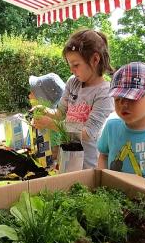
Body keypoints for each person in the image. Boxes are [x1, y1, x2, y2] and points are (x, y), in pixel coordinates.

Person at [32, 29, 114, 168]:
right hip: (67, 156)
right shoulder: (73, 82)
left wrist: (51, 124)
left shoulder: (104, 93)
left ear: (95, 59)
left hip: (88, 163)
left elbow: (88, 133)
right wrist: (45, 110)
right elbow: (60, 113)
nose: (72, 70)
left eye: (76, 65)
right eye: (70, 65)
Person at [28, 73, 65, 158]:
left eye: (33, 93)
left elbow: (56, 151)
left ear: (44, 101)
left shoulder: (49, 122)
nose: (29, 96)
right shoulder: (38, 116)